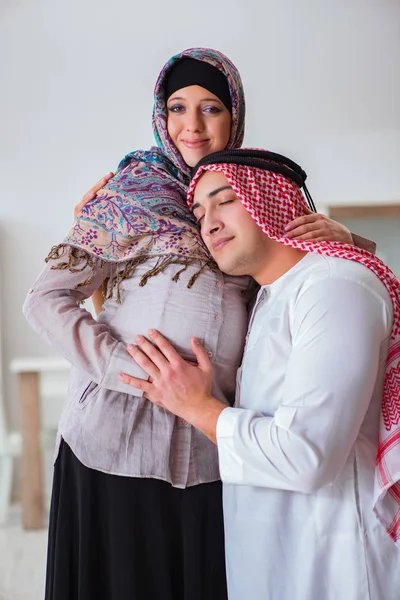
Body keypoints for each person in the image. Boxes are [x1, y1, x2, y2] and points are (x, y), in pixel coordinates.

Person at [24, 46, 373, 598]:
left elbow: (309, 289)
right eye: (177, 107)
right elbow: (45, 299)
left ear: (234, 115)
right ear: (160, 116)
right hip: (116, 449)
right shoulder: (124, 196)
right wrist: (139, 377)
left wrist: (349, 241)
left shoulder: (252, 199)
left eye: (211, 108)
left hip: (220, 453)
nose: (193, 125)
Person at [120, 148, 400, 600]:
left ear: (275, 202)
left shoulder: (333, 287)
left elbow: (305, 456)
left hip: (336, 568)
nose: (208, 222)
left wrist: (199, 408)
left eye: (224, 200)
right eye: (199, 210)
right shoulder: (273, 296)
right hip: (280, 553)